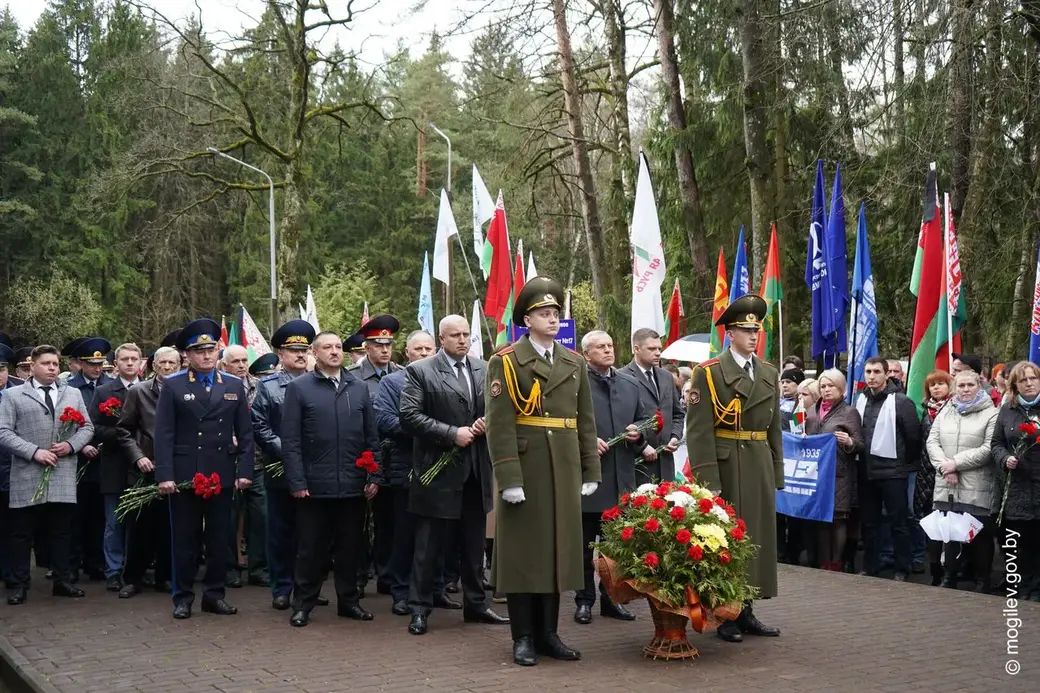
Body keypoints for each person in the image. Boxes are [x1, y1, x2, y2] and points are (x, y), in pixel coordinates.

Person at [485, 276, 600, 666]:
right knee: (524, 553)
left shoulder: (574, 361)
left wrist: (590, 469)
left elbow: (585, 421)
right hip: (527, 466)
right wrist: (509, 478)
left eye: (555, 313)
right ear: (527, 320)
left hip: (563, 467)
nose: (553, 319)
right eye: (544, 313)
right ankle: (523, 636)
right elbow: (500, 425)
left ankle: (549, 633)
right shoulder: (505, 361)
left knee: (556, 552)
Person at [398, 316, 508, 635]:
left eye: (466, 334)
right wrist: (451, 433)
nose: (462, 340)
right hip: (437, 472)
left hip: (476, 471)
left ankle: (476, 605)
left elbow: (500, 407)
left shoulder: (484, 368)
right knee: (428, 546)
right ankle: (419, 609)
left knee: (473, 545)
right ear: (441, 339)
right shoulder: (421, 371)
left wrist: (488, 421)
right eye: (455, 335)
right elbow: (409, 416)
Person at [685, 294, 782, 643]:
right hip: (727, 464)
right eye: (745, 330)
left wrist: (777, 469)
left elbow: (774, 428)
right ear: (730, 334)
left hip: (758, 461)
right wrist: (707, 478)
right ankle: (723, 613)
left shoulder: (768, 372)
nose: (753, 336)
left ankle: (747, 610)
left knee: (755, 539)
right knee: (723, 540)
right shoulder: (709, 372)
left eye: (756, 330)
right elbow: (698, 430)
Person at [155, 318, 254, 619]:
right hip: (185, 474)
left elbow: (245, 433)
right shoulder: (174, 385)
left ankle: (214, 594)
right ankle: (182, 597)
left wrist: (245, 471)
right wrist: (165, 475)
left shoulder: (233, 385)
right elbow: (164, 434)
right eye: (199, 351)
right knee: (185, 540)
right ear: (187, 355)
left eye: (211, 350)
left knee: (219, 539)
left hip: (221, 472)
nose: (207, 356)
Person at [281, 331, 383, 627]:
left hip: (352, 484)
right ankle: (303, 604)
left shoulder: (358, 387)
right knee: (310, 549)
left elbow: (371, 436)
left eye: (338, 346)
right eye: (328, 347)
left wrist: (374, 474)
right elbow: (291, 441)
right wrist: (297, 481)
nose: (335, 351)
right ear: (315, 352)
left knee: (351, 547)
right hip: (314, 486)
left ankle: (349, 602)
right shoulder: (299, 388)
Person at [0, 344, 96, 604]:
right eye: (46, 364)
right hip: (27, 472)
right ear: (32, 366)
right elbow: (4, 432)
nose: (52, 368)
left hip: (62, 471)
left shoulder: (72, 393)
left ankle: (62, 581)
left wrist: (71, 445)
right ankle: (19, 584)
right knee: (22, 533)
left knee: (62, 531)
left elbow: (87, 427)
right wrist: (34, 452)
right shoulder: (14, 395)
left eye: (55, 364)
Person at [574, 330, 646, 624]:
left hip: (621, 479)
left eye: (610, 345)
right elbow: (566, 423)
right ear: (586, 354)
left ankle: (611, 599)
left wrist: (639, 433)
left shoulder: (629, 384)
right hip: (589, 479)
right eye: (600, 347)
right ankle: (584, 600)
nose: (607, 350)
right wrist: (586, 442)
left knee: (615, 547)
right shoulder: (576, 383)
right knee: (584, 547)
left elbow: (644, 419)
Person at [252, 320, 318, 610]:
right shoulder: (268, 386)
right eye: (294, 351)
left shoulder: (320, 382)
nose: (300, 355)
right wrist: (291, 453)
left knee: (311, 533)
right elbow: (260, 426)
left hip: (315, 470)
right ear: (281, 354)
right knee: (280, 532)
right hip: (280, 470)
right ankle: (282, 588)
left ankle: (308, 587)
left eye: (304, 350)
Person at [373, 330, 436, 616]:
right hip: (404, 467)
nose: (423, 353)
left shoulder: (444, 379)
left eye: (428, 349)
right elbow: (384, 420)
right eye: (418, 349)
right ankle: (400, 591)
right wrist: (429, 430)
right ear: (407, 352)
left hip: (440, 467)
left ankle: (434, 589)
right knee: (404, 534)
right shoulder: (392, 382)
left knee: (436, 535)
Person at [115, 346, 180, 597]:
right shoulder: (139, 391)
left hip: (176, 469)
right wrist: (138, 456)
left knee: (170, 527)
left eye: (172, 363)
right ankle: (132, 579)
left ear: (180, 366)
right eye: (163, 363)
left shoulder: (187, 391)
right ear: (153, 366)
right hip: (145, 470)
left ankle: (165, 577)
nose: (167, 367)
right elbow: (124, 429)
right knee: (140, 528)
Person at [926, 369, 998, 592]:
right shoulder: (946, 410)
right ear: (954, 388)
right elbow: (932, 442)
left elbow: (988, 448)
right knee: (950, 533)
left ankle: (983, 580)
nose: (965, 389)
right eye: (961, 385)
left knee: (980, 534)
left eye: (970, 385)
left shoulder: (991, 413)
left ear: (979, 386)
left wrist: (955, 463)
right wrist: (944, 466)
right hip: (947, 482)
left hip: (977, 485)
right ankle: (949, 577)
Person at [347, 314, 403, 596]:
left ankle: (387, 575)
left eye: (388, 344)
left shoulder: (404, 375)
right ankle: (357, 576)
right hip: (362, 458)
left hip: (395, 460)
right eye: (378, 345)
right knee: (358, 522)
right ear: (366, 347)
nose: (384, 349)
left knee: (390, 520)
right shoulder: (351, 377)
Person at [855, 357, 921, 582]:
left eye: (876, 372)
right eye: (868, 372)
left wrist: (903, 464)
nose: (871, 376)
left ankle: (902, 568)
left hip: (893, 472)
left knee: (898, 523)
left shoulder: (901, 402)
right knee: (870, 522)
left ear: (886, 374)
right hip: (866, 470)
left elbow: (913, 437)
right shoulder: (861, 399)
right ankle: (870, 566)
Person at [89, 342, 143, 592]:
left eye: (134, 359)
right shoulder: (104, 392)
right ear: (116, 364)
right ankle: (113, 570)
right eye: (124, 359)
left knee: (140, 523)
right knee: (114, 521)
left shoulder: (150, 389)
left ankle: (136, 570)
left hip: (143, 465)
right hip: (114, 464)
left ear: (141, 362)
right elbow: (93, 427)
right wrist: (123, 435)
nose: (129, 363)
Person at [65, 337, 113, 582]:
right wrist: (81, 445)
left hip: (105, 459)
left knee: (99, 516)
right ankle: (71, 565)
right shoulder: (68, 388)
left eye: (100, 363)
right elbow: (63, 422)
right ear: (80, 364)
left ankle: (96, 563)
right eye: (91, 364)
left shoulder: (111, 386)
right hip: (77, 460)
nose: (97, 368)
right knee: (75, 517)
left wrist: (105, 443)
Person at [805, 369, 863, 571]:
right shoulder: (811, 411)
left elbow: (860, 444)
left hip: (839, 474)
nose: (827, 390)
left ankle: (836, 563)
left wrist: (849, 442)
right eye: (823, 386)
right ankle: (824, 563)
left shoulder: (849, 412)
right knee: (821, 520)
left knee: (838, 519)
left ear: (841, 388)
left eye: (831, 386)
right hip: (816, 473)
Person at [991, 361, 1040, 602]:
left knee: (1037, 540)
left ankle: (1036, 587)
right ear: (1015, 385)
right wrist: (1005, 458)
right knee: (1014, 538)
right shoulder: (1007, 410)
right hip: (1015, 486)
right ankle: (1017, 584)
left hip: (1038, 483)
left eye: (1033, 378)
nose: (1029, 383)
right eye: (1023, 380)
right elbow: (996, 443)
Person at [220, 344, 268, 589]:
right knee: (227, 518)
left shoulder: (260, 386)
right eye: (235, 361)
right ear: (224, 365)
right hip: (226, 462)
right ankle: (230, 568)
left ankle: (259, 568)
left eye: (243, 360)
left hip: (257, 460)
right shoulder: (219, 385)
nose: (241, 365)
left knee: (261, 516)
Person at [620, 329, 684, 484]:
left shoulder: (666, 376)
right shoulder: (622, 377)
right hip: (638, 463)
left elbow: (677, 413)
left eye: (659, 348)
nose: (658, 353)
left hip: (666, 461)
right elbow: (621, 421)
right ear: (636, 349)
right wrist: (642, 446)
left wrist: (675, 436)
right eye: (651, 349)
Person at [918, 370, 953, 584]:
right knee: (931, 523)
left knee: (949, 525)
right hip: (926, 473)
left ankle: (949, 570)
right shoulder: (925, 411)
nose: (936, 388)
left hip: (947, 471)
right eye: (933, 385)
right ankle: (934, 571)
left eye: (941, 383)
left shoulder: (954, 409)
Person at [0, 341, 25, 589]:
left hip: (14, 468)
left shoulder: (20, 392)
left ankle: (11, 574)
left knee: (11, 526)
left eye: (2, 369)